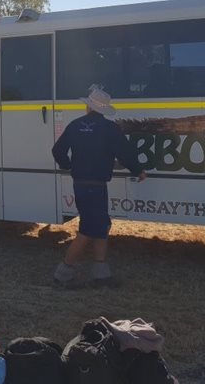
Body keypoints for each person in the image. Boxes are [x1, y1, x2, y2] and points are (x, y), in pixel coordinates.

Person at [51, 85, 147, 288]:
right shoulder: (110, 129)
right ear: (103, 110)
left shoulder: (75, 125)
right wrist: (138, 170)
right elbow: (125, 153)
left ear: (88, 107)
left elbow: (57, 150)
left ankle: (101, 273)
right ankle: (63, 274)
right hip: (98, 185)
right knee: (88, 229)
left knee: (102, 225)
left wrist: (68, 165)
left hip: (81, 184)